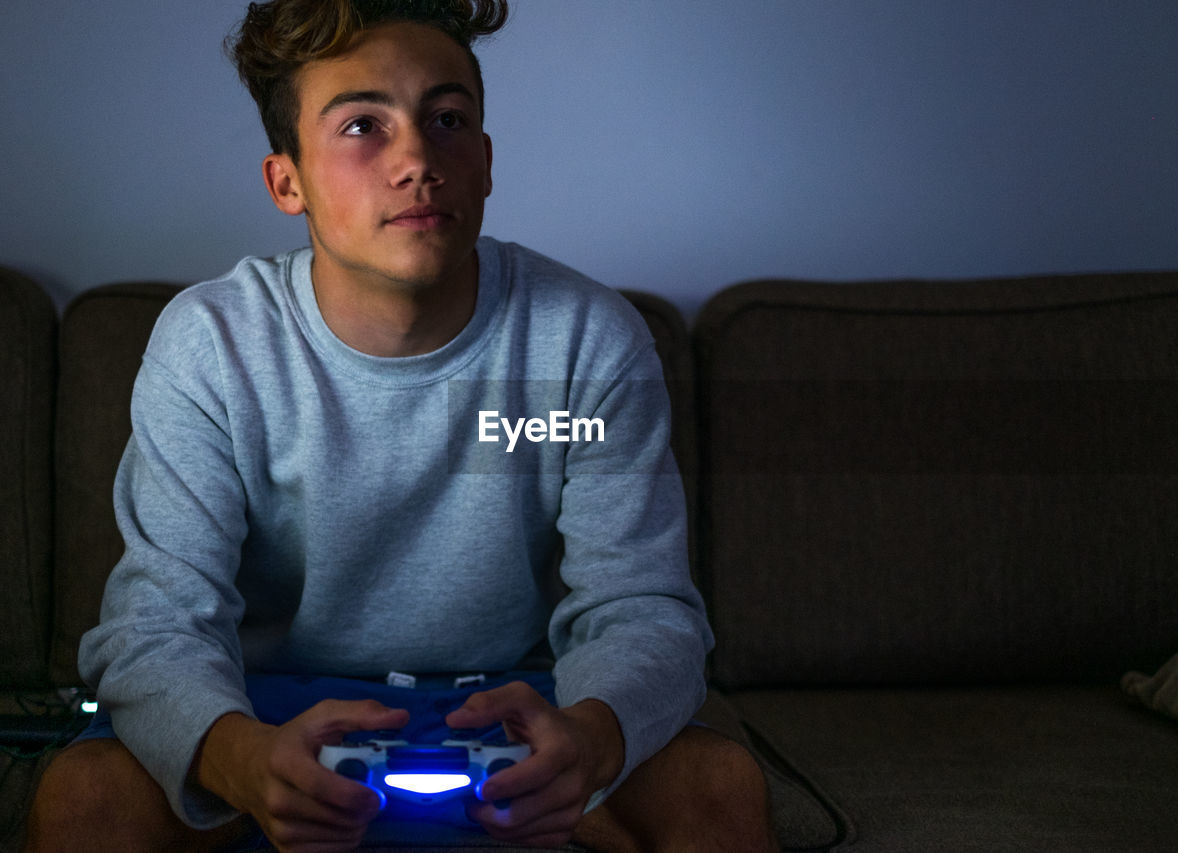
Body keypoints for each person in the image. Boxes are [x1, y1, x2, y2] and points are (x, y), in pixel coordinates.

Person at [23, 1, 776, 851]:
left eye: (446, 119)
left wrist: (592, 738)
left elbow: (640, 606)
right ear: (288, 181)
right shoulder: (213, 343)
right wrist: (240, 758)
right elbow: (157, 621)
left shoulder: (586, 339)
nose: (418, 159)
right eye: (361, 126)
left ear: (486, 162)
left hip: (511, 708)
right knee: (86, 797)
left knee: (717, 788)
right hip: (266, 707)